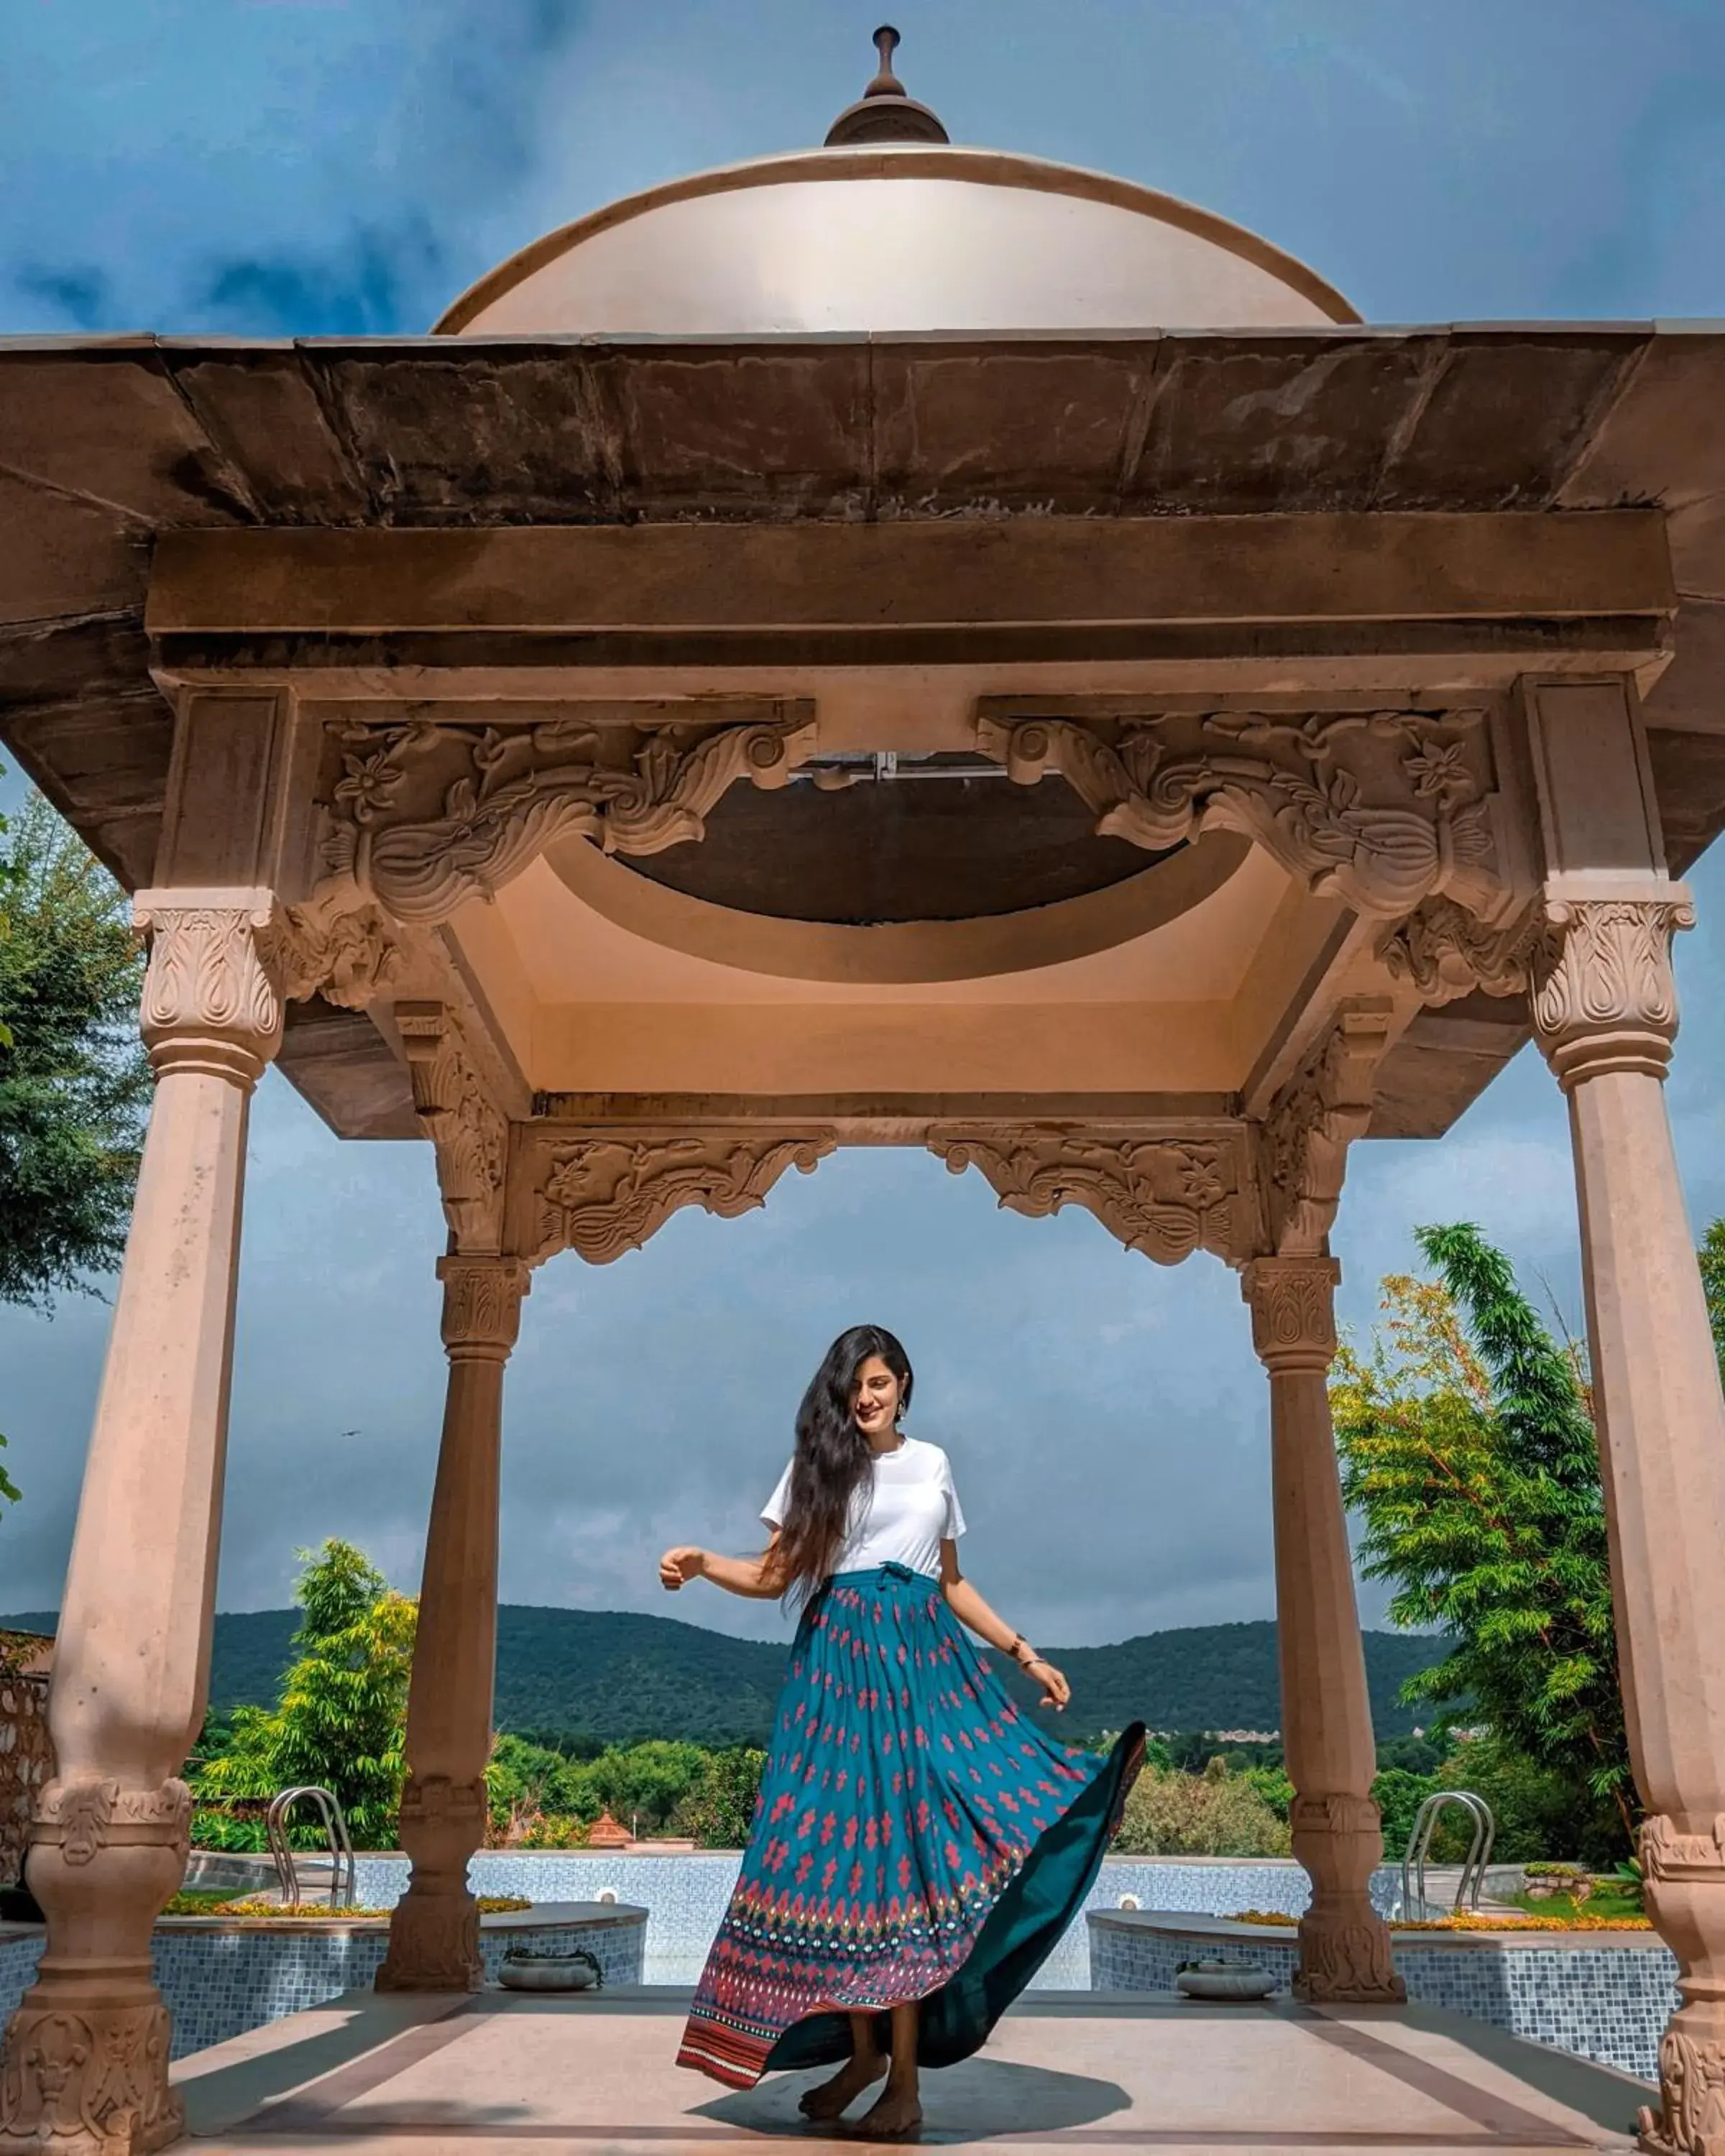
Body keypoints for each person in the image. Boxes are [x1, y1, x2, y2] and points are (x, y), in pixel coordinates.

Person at [661, 1323, 1144, 2138]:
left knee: (912, 1865)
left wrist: (1023, 1652)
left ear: (904, 1385)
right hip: (837, 1678)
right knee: (847, 1872)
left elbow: (951, 1583)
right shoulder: (815, 1469)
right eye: (855, 1387)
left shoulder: (933, 1466)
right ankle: (865, 2057)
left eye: (880, 1383)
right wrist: (705, 1561)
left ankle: (905, 2083)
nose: (868, 1397)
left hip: (921, 1666)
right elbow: (773, 1574)